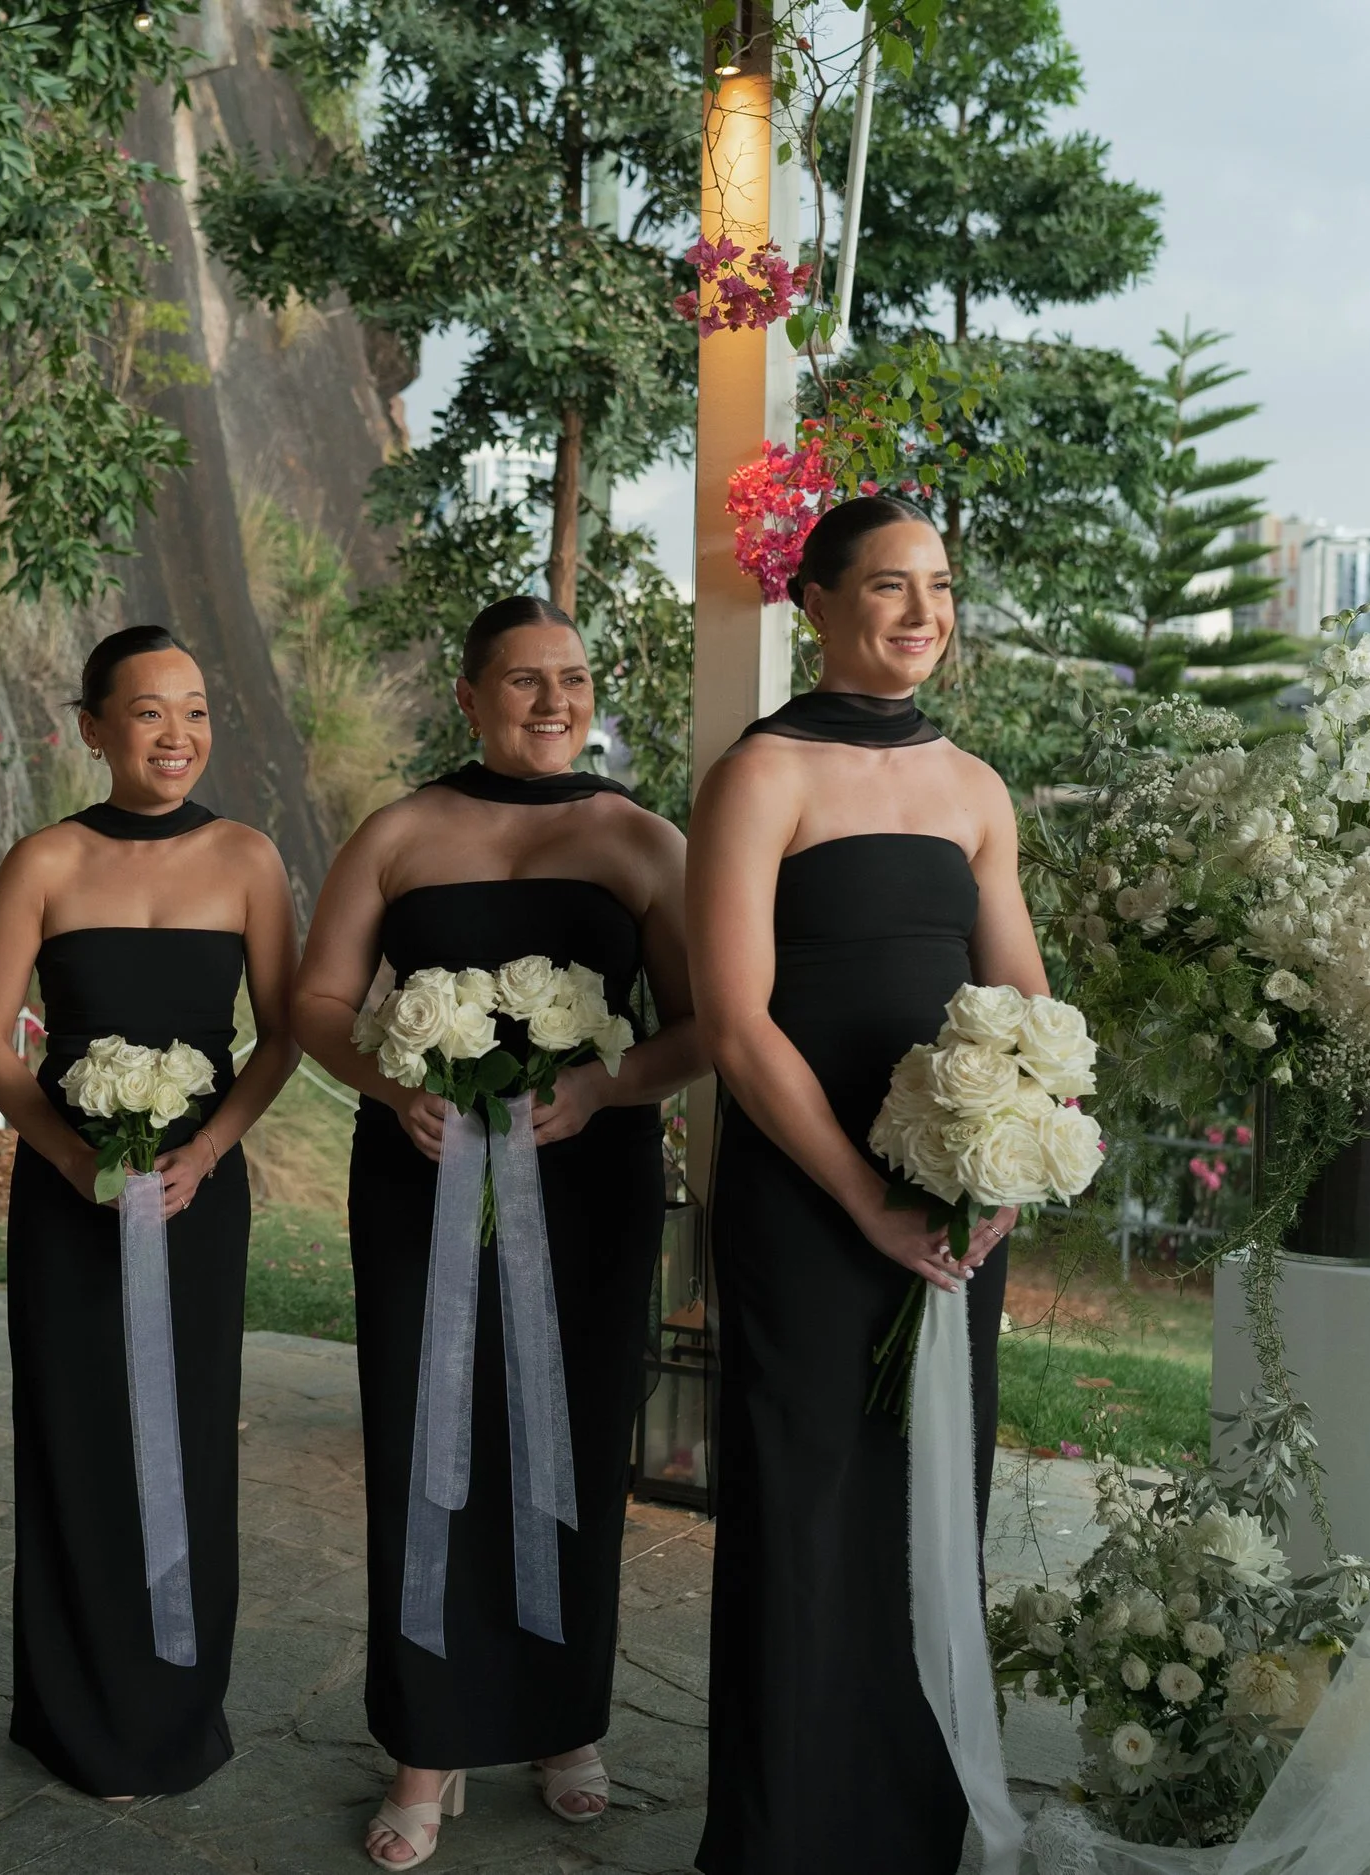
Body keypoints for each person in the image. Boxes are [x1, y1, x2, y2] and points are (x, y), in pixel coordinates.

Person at [292, 594, 703, 1868]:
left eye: (571, 679)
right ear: (468, 696)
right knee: (428, 1439)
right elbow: (315, 1000)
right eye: (522, 681)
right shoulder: (400, 832)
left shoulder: (642, 841)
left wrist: (604, 1087)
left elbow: (699, 1027)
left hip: (588, 1182)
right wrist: (389, 1084)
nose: (552, 702)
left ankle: (562, 1721)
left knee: (571, 1442)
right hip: (420, 1177)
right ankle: (425, 1741)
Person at [685, 496, 1046, 1875]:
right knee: (805, 1500)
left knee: (924, 1494)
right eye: (889, 587)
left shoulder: (974, 786)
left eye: (941, 587)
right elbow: (732, 1024)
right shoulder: (762, 773)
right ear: (819, 603)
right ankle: (781, 1836)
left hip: (955, 1195)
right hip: (807, 1195)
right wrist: (862, 1196)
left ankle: (907, 1826)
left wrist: (1019, 1145)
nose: (921, 613)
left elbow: (1024, 998)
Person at [0, 624, 300, 1798]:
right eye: (149, 712)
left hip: (196, 1195)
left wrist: (206, 1151)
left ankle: (175, 1711)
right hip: (70, 1196)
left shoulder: (249, 859)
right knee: (77, 1431)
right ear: (92, 727)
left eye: (196, 710)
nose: (177, 734)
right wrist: (62, 1154)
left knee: (188, 1436)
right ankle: (69, 1715)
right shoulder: (44, 861)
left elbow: (283, 1034)